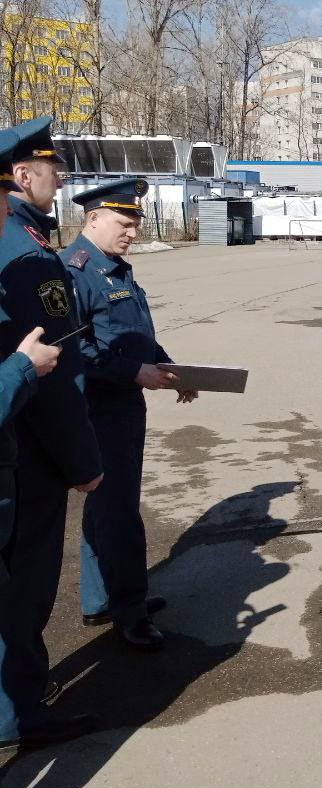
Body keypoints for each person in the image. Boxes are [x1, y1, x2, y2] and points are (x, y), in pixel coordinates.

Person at [0, 116, 103, 750]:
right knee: (25, 588)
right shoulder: (28, 257)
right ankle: (20, 714)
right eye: (53, 168)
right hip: (28, 457)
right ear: (22, 174)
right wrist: (83, 461)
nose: (60, 180)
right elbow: (56, 372)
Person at [63, 178, 197, 652]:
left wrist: (170, 367)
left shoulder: (116, 269)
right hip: (98, 410)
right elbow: (72, 351)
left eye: (136, 224)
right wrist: (132, 372)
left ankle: (102, 599)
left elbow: (135, 332)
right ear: (93, 218)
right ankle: (130, 611)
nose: (132, 232)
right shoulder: (72, 272)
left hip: (123, 405)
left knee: (104, 509)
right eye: (124, 223)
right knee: (119, 512)